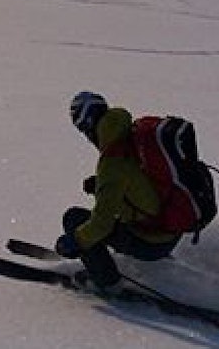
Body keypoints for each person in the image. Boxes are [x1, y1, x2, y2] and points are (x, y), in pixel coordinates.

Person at [53, 91, 183, 295]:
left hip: (151, 242)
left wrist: (75, 241)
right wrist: (101, 187)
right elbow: (140, 185)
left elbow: (101, 225)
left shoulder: (113, 161)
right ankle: (160, 265)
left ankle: (107, 282)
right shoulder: (132, 135)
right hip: (171, 231)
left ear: (87, 123)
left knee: (74, 218)